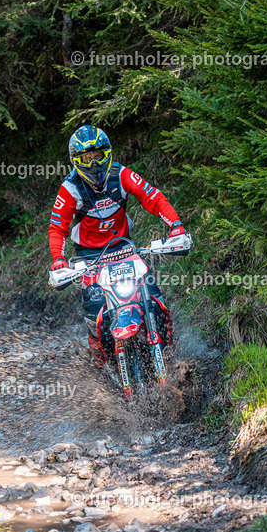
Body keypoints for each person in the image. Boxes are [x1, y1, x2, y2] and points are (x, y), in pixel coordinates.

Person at [49, 125, 185, 366]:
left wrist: (176, 226)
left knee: (155, 300)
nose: (93, 165)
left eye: (97, 156)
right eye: (85, 159)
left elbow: (152, 197)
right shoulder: (70, 189)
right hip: (89, 258)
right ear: (75, 162)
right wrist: (59, 262)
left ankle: (170, 355)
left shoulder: (121, 175)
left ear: (107, 154)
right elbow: (58, 228)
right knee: (95, 312)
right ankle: (98, 367)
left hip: (124, 249)